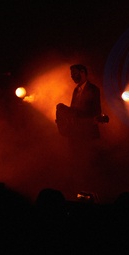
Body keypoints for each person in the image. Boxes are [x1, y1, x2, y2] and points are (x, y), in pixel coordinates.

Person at [55, 64, 104, 196]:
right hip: (75, 133)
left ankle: (88, 192)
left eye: (75, 74)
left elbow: (96, 111)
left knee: (87, 163)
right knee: (75, 163)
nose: (72, 77)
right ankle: (76, 190)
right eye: (72, 75)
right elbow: (73, 111)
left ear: (83, 72)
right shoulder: (76, 90)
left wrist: (87, 119)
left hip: (87, 134)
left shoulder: (93, 89)